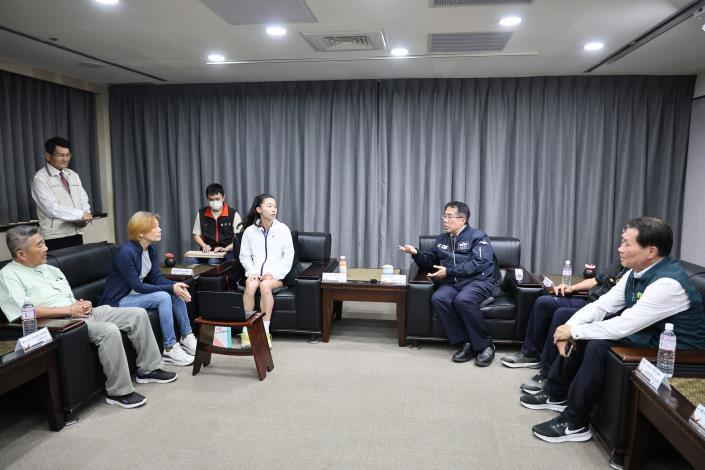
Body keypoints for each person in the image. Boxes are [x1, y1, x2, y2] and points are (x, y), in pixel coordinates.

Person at [521, 217, 705, 443]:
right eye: (621, 242)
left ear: (651, 251)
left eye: (627, 243)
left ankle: (574, 423)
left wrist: (574, 332)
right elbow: (603, 305)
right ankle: (556, 393)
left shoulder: (668, 284)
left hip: (679, 354)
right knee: (586, 330)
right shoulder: (635, 272)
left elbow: (625, 325)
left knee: (597, 343)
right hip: (649, 335)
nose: (620, 249)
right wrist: (569, 327)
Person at [0, 226, 176, 409]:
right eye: (39, 245)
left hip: (80, 313)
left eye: (44, 243)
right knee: (108, 330)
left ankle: (149, 369)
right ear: (21, 254)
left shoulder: (50, 269)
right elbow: (22, 312)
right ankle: (119, 392)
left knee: (137, 315)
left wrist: (80, 303)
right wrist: (69, 310)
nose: (46, 248)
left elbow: (64, 297)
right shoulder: (8, 275)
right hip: (61, 324)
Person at [502, 261, 626, 394]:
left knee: (561, 314)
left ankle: (547, 374)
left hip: (604, 314)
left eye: (625, 247)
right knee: (543, 303)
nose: (621, 250)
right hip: (590, 303)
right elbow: (596, 280)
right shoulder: (619, 264)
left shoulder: (632, 274)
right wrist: (572, 288)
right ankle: (530, 354)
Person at [400, 201, 498, 366]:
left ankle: (486, 345)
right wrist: (416, 253)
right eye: (444, 216)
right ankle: (465, 342)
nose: (445, 220)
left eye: (449, 216)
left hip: (479, 281)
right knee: (439, 298)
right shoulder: (442, 239)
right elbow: (428, 263)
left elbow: (479, 264)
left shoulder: (478, 237)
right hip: (454, 283)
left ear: (462, 220)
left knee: (463, 300)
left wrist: (449, 271)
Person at [98, 211, 196, 366]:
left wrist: (174, 286)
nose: (160, 229)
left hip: (136, 294)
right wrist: (170, 288)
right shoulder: (125, 253)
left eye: (158, 226)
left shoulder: (150, 248)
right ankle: (170, 348)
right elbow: (138, 286)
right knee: (164, 296)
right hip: (119, 300)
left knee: (176, 291)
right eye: (155, 227)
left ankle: (187, 337)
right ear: (141, 233)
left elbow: (156, 277)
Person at [238, 194, 294, 349]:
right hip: (255, 273)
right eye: (269, 206)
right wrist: (252, 272)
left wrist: (274, 273)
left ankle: (265, 330)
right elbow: (244, 256)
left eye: (275, 206)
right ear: (259, 209)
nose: (273, 209)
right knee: (250, 286)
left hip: (276, 276)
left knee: (265, 286)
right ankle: (246, 330)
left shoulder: (283, 230)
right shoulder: (249, 232)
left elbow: (288, 257)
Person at [30, 137, 93, 250]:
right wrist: (80, 214)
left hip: (77, 232)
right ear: (48, 156)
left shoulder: (73, 175)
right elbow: (51, 208)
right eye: (60, 155)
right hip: (55, 236)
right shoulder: (40, 178)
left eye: (68, 155)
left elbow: (83, 198)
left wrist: (85, 216)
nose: (65, 159)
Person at [189, 183, 241, 265]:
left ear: (223, 197)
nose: (214, 202)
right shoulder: (201, 213)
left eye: (217, 199)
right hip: (208, 252)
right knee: (191, 261)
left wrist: (226, 249)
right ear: (207, 199)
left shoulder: (233, 214)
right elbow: (196, 235)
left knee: (213, 261)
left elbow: (239, 239)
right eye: (211, 199)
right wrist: (203, 245)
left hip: (227, 252)